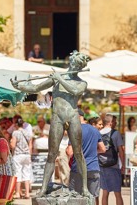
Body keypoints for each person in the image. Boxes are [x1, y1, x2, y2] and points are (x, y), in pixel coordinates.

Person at [11, 50, 91, 197]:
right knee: (51, 154)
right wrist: (19, 87)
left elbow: (73, 90)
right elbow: (36, 88)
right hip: (57, 117)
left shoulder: (81, 83)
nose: (77, 67)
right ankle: (43, 188)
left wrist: (59, 78)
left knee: (78, 153)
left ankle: (85, 189)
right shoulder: (56, 78)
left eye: (79, 66)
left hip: (72, 116)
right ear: (71, 63)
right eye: (75, 64)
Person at [66, 109, 106, 205]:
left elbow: (69, 152)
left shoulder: (74, 130)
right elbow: (103, 149)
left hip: (78, 170)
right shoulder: (94, 130)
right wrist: (92, 150)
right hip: (93, 168)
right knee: (92, 198)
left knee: (76, 198)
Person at [100, 114, 124, 205]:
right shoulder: (115, 133)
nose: (116, 123)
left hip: (101, 165)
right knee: (117, 193)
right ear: (110, 122)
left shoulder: (98, 133)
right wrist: (123, 165)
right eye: (114, 121)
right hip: (114, 166)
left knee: (105, 193)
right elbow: (121, 150)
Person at [10, 118, 32, 199]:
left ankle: (18, 193)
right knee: (26, 174)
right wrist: (30, 155)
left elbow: (13, 145)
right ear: (23, 124)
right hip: (27, 155)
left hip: (18, 155)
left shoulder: (15, 133)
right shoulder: (28, 133)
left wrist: (10, 142)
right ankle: (27, 193)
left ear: (16, 125)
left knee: (18, 174)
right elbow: (30, 145)